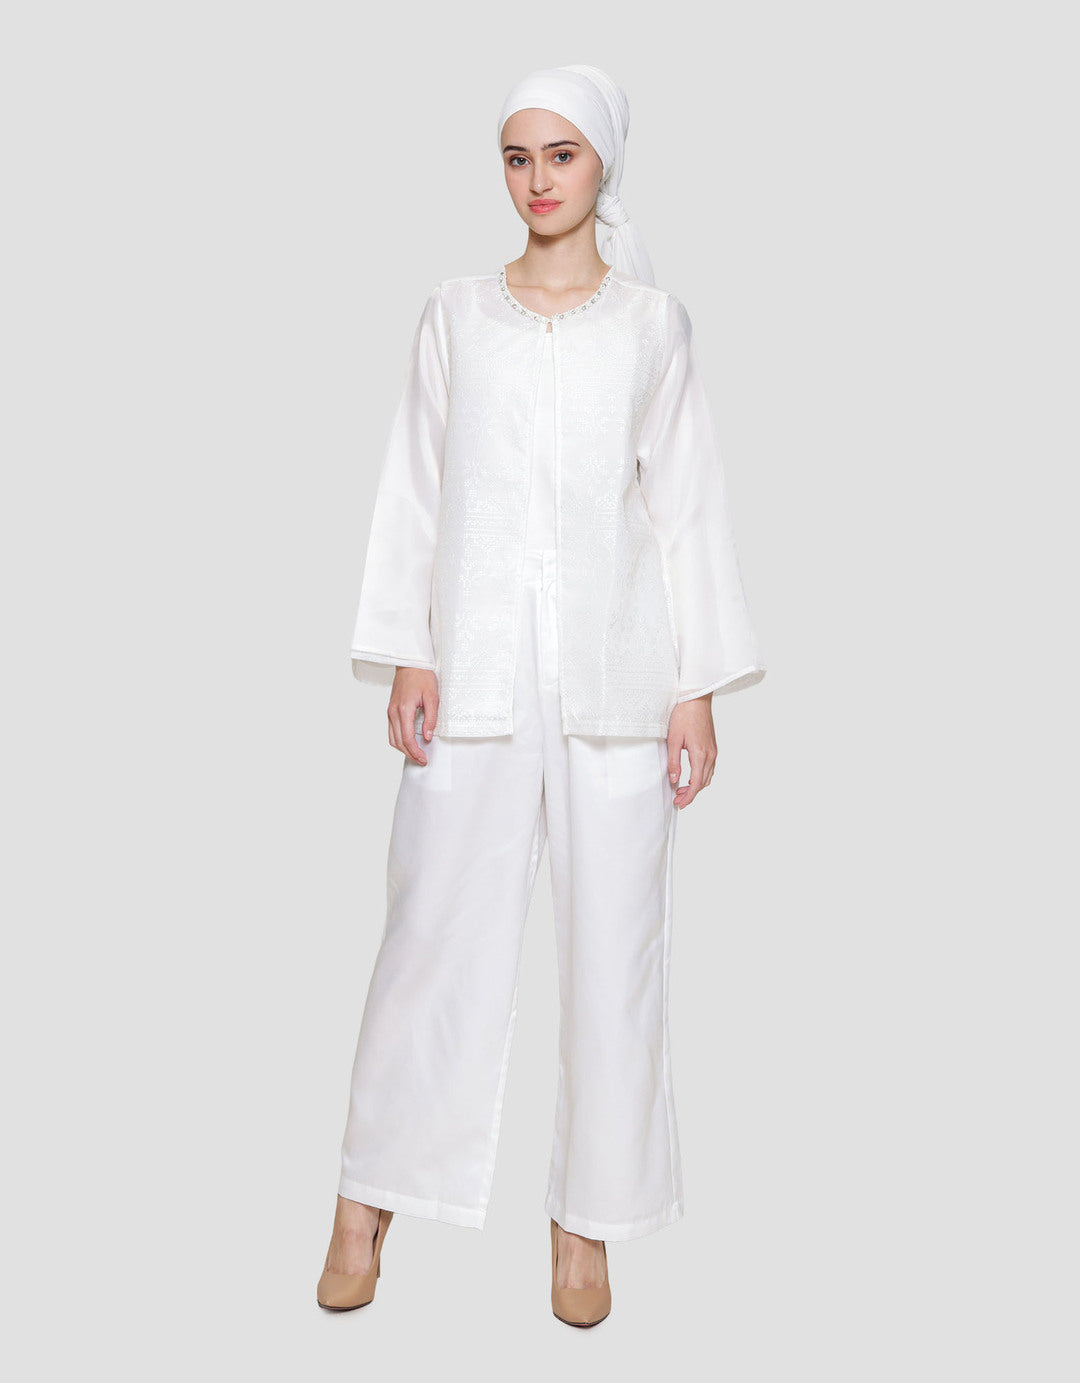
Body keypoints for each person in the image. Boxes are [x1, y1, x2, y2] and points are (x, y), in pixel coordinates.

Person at [317, 63, 766, 1327]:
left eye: (560, 155)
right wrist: (409, 647)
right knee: (428, 937)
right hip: (471, 674)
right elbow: (415, 482)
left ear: (602, 161)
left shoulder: (654, 326)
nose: (537, 180)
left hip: (620, 680)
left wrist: (697, 689)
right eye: (517, 157)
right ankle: (365, 1198)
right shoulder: (454, 315)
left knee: (615, 955)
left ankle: (587, 1225)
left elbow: (687, 508)